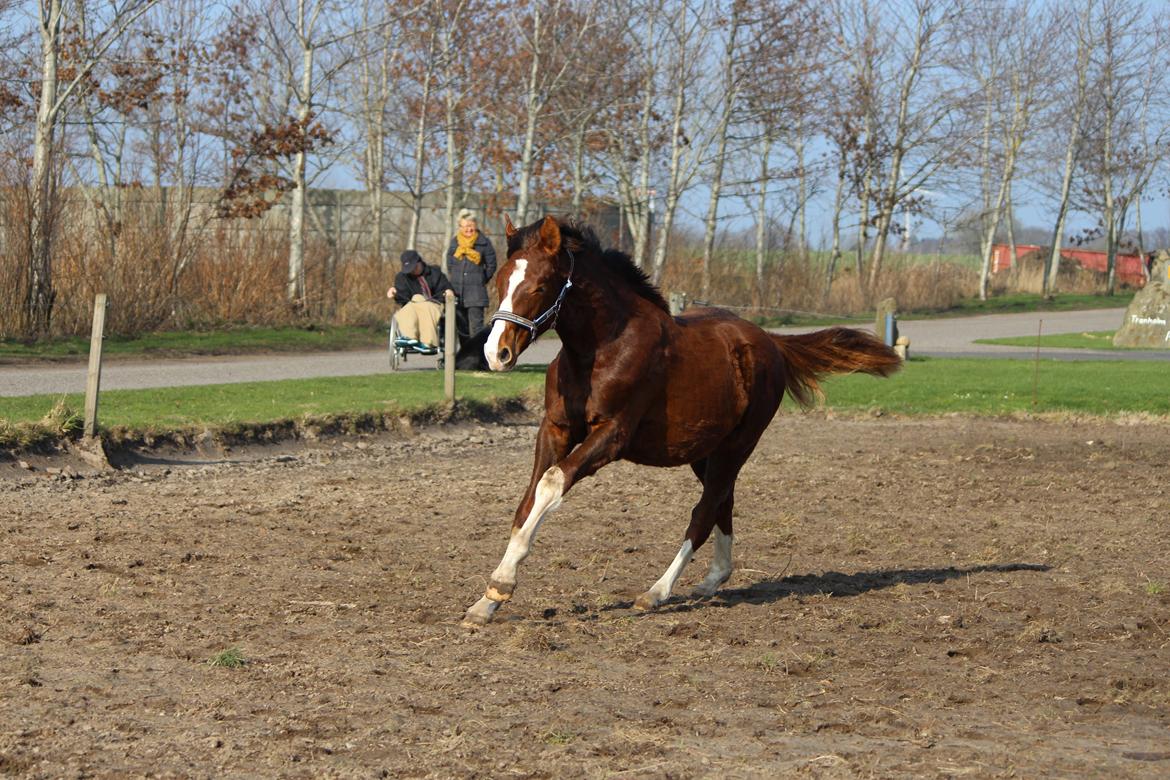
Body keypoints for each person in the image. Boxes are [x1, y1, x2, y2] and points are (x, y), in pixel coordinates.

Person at [445, 208, 497, 342]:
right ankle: (465, 360)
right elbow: (450, 263)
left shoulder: (484, 243)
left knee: (476, 330)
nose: (468, 229)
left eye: (470, 225)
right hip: (457, 293)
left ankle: (478, 359)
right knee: (462, 330)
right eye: (464, 226)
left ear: (475, 225)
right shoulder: (454, 242)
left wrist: (481, 279)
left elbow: (491, 265)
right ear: (460, 227)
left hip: (476, 294)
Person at [387, 250, 453, 352]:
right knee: (412, 304)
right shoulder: (402, 277)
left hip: (434, 304)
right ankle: (411, 338)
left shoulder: (435, 273)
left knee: (419, 299)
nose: (412, 271)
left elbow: (446, 288)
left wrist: (448, 291)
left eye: (414, 267)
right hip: (412, 307)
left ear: (420, 262)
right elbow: (402, 298)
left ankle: (423, 340)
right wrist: (394, 292)